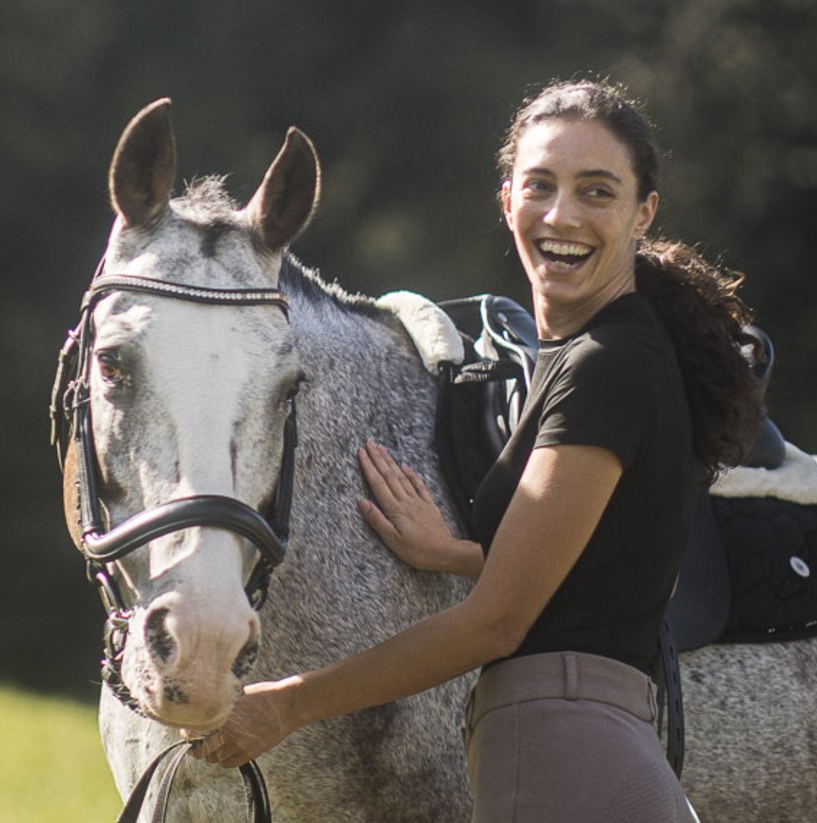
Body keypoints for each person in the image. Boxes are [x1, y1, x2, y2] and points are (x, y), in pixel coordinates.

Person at [191, 80, 763, 821]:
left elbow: (497, 623)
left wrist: (287, 704)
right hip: (605, 752)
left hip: (560, 756)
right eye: (541, 186)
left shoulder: (605, 368)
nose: (562, 215)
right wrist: (460, 555)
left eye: (597, 191)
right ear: (507, 201)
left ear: (642, 213)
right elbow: (607, 576)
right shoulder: (608, 353)